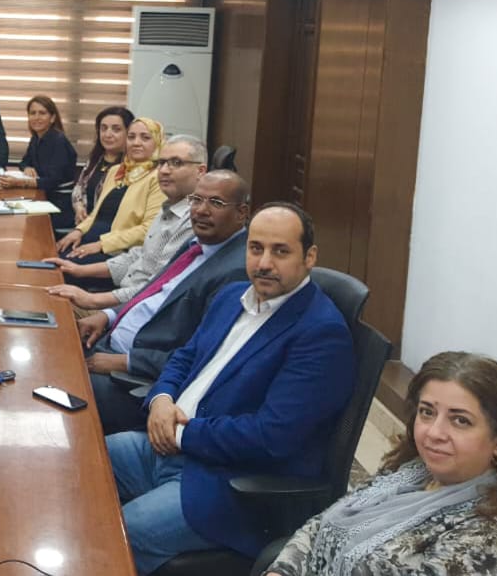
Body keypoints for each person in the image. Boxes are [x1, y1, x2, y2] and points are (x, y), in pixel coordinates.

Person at [106, 202, 355, 574]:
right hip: (165, 447)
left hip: (229, 482)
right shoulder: (231, 297)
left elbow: (271, 436)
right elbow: (184, 357)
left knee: (119, 532)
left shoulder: (321, 334)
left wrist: (181, 433)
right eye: (256, 248)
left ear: (309, 257)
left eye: (280, 251)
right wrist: (161, 399)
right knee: (78, 464)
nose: (264, 263)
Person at [265, 351, 497, 576]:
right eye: (427, 412)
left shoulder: (489, 537)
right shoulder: (410, 471)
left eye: (460, 420)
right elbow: (321, 525)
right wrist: (281, 571)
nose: (434, 432)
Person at [74, 170, 251, 434]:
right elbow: (153, 292)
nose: (201, 210)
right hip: (107, 341)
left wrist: (126, 362)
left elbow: (203, 355)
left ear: (241, 212)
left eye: (215, 203)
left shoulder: (236, 271)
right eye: (196, 200)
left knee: (59, 386)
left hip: (136, 381)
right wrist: (108, 315)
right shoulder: (197, 244)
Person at [45, 136, 205, 298]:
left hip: (133, 303)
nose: (164, 170)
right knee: (50, 276)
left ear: (200, 171)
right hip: (124, 294)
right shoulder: (168, 206)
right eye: (161, 162)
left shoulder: (195, 220)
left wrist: (94, 301)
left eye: (176, 163)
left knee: (49, 291)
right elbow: (139, 256)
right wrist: (79, 270)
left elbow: (156, 287)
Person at [55, 117, 167, 267]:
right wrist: (78, 231)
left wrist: (102, 244)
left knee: (58, 269)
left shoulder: (159, 177)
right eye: (131, 137)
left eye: (145, 138)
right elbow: (96, 214)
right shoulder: (117, 171)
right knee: (48, 257)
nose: (136, 143)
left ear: (158, 142)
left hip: (118, 252)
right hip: (90, 238)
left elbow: (148, 229)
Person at [0, 95, 77, 229]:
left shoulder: (58, 141)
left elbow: (53, 181)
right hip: (42, 198)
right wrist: (27, 167)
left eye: (42, 113)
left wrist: (20, 182)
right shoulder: (36, 138)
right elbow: (23, 162)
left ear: (52, 118)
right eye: (32, 113)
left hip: (58, 205)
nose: (37, 117)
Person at [70, 106, 133, 224]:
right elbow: (79, 187)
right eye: (103, 128)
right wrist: (79, 207)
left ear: (129, 133)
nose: (108, 134)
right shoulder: (96, 159)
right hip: (84, 224)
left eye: (116, 129)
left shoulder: (132, 166)